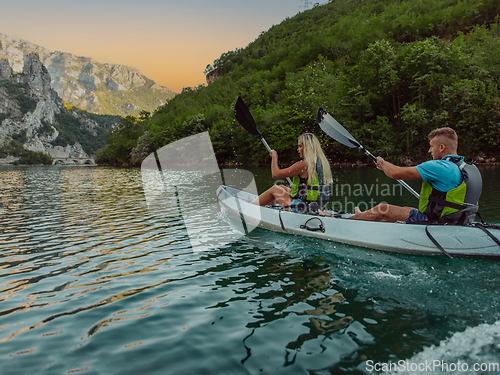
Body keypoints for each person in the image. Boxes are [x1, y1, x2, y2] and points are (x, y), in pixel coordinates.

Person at [350, 127, 482, 224]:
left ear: (441, 147)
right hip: (460, 221)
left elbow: (395, 173)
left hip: (439, 223)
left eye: (431, 146)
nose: (430, 150)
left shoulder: (439, 167)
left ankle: (346, 222)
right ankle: (363, 216)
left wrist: (382, 162)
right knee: (408, 210)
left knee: (383, 209)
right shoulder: (470, 168)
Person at [251, 133, 333, 215]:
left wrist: (274, 158)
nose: (298, 149)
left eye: (300, 146)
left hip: (303, 209)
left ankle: (250, 207)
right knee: (282, 187)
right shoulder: (321, 163)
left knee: (275, 189)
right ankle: (266, 207)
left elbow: (275, 174)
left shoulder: (304, 164)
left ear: (308, 147)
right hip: (315, 206)